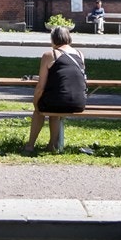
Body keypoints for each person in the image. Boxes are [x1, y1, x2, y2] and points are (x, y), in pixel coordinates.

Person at [27, 25, 87, 153]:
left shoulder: (50, 55)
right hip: (79, 103)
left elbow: (41, 86)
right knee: (55, 110)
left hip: (58, 101)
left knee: (39, 110)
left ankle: (30, 145)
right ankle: (52, 145)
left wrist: (35, 102)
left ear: (53, 39)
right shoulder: (80, 54)